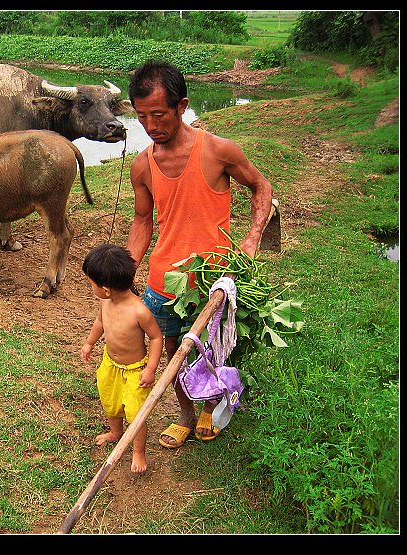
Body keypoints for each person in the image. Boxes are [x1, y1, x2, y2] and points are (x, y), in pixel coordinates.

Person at [125, 60, 274, 449]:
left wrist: (251, 239)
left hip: (211, 280)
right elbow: (143, 222)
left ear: (182, 106)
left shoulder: (217, 150)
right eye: (142, 116)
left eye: (158, 114)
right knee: (171, 352)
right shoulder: (142, 165)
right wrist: (125, 273)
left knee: (210, 350)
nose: (151, 125)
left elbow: (261, 187)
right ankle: (186, 413)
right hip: (162, 283)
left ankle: (210, 407)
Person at [80, 243, 163, 473]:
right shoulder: (105, 301)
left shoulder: (139, 311)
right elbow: (100, 323)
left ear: (106, 288)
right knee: (110, 398)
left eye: (91, 283)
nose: (91, 287)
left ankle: (138, 451)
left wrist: (151, 369)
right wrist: (89, 343)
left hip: (135, 370)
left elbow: (156, 338)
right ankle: (116, 432)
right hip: (110, 363)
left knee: (137, 413)